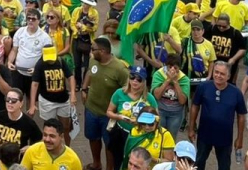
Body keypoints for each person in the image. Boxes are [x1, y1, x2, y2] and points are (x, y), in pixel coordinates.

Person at [188, 61, 246, 170]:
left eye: (222, 74)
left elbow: (241, 116)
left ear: (228, 76)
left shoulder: (236, 93)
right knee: (198, 164)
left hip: (225, 138)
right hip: (204, 135)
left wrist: (240, 138)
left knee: (224, 166)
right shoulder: (203, 87)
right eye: (216, 72)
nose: (218, 76)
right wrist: (191, 128)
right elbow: (195, 106)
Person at [83, 36, 130, 170]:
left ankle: (110, 168)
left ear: (103, 51)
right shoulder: (93, 60)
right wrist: (84, 88)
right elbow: (89, 73)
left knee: (109, 144)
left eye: (93, 49)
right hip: (91, 109)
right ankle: (96, 164)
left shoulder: (119, 69)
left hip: (108, 114)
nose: (91, 51)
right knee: (93, 138)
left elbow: (127, 89)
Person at [107, 66, 159, 170]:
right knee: (118, 160)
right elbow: (109, 112)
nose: (135, 81)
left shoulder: (149, 98)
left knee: (137, 163)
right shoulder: (119, 93)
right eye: (132, 77)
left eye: (139, 79)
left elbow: (157, 118)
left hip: (140, 135)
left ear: (144, 82)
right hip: (121, 132)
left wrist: (142, 123)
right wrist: (120, 117)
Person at [28, 45, 76, 145]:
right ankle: (50, 147)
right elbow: (35, 84)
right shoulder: (40, 64)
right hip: (47, 101)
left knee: (65, 127)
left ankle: (67, 148)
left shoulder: (61, 61)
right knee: (50, 128)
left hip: (63, 99)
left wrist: (73, 94)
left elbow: (70, 77)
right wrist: (32, 105)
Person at [0, 87, 42, 164]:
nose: (10, 102)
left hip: (17, 162)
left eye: (13, 101)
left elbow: (40, 140)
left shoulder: (28, 123)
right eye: (7, 99)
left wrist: (29, 148)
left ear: (21, 103)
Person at [8, 8, 53, 94]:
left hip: (34, 75)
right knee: (17, 98)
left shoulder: (45, 37)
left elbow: (47, 59)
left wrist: (37, 69)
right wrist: (10, 62)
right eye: (28, 18)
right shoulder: (20, 32)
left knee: (31, 102)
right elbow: (14, 50)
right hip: (18, 72)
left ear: (39, 21)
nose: (30, 21)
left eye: (33, 19)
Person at [151, 54, 190, 140]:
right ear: (166, 66)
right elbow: (156, 96)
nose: (172, 70)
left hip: (176, 114)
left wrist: (175, 82)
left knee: (170, 139)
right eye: (170, 67)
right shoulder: (158, 75)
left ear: (179, 68)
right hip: (160, 111)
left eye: (175, 68)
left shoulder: (184, 79)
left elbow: (182, 101)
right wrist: (168, 80)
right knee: (157, 137)